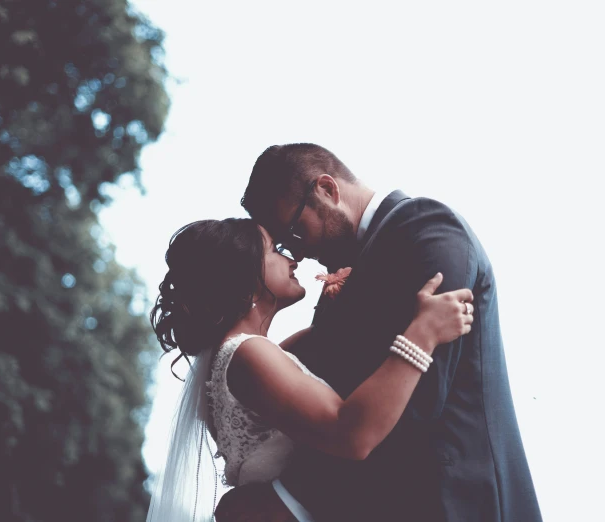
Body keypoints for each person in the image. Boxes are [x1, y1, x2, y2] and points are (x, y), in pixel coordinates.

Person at [218, 143, 543, 521]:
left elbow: (415, 405)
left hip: (457, 502)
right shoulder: (366, 260)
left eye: (294, 233)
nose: (299, 255)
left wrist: (285, 501)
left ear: (327, 190)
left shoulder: (427, 229)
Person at [145, 218, 474, 522]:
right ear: (244, 276)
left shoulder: (256, 354)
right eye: (275, 250)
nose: (294, 260)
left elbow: (327, 339)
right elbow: (351, 435)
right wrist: (424, 333)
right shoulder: (247, 353)